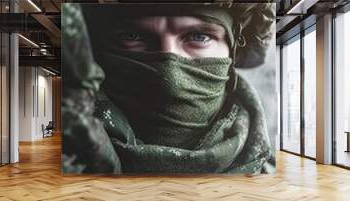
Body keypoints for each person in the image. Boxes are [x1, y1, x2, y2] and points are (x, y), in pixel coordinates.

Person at [62, 3, 276, 174]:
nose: (168, 76)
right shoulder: (70, 155)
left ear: (233, 49)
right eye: (132, 36)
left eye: (199, 37)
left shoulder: (265, 172)